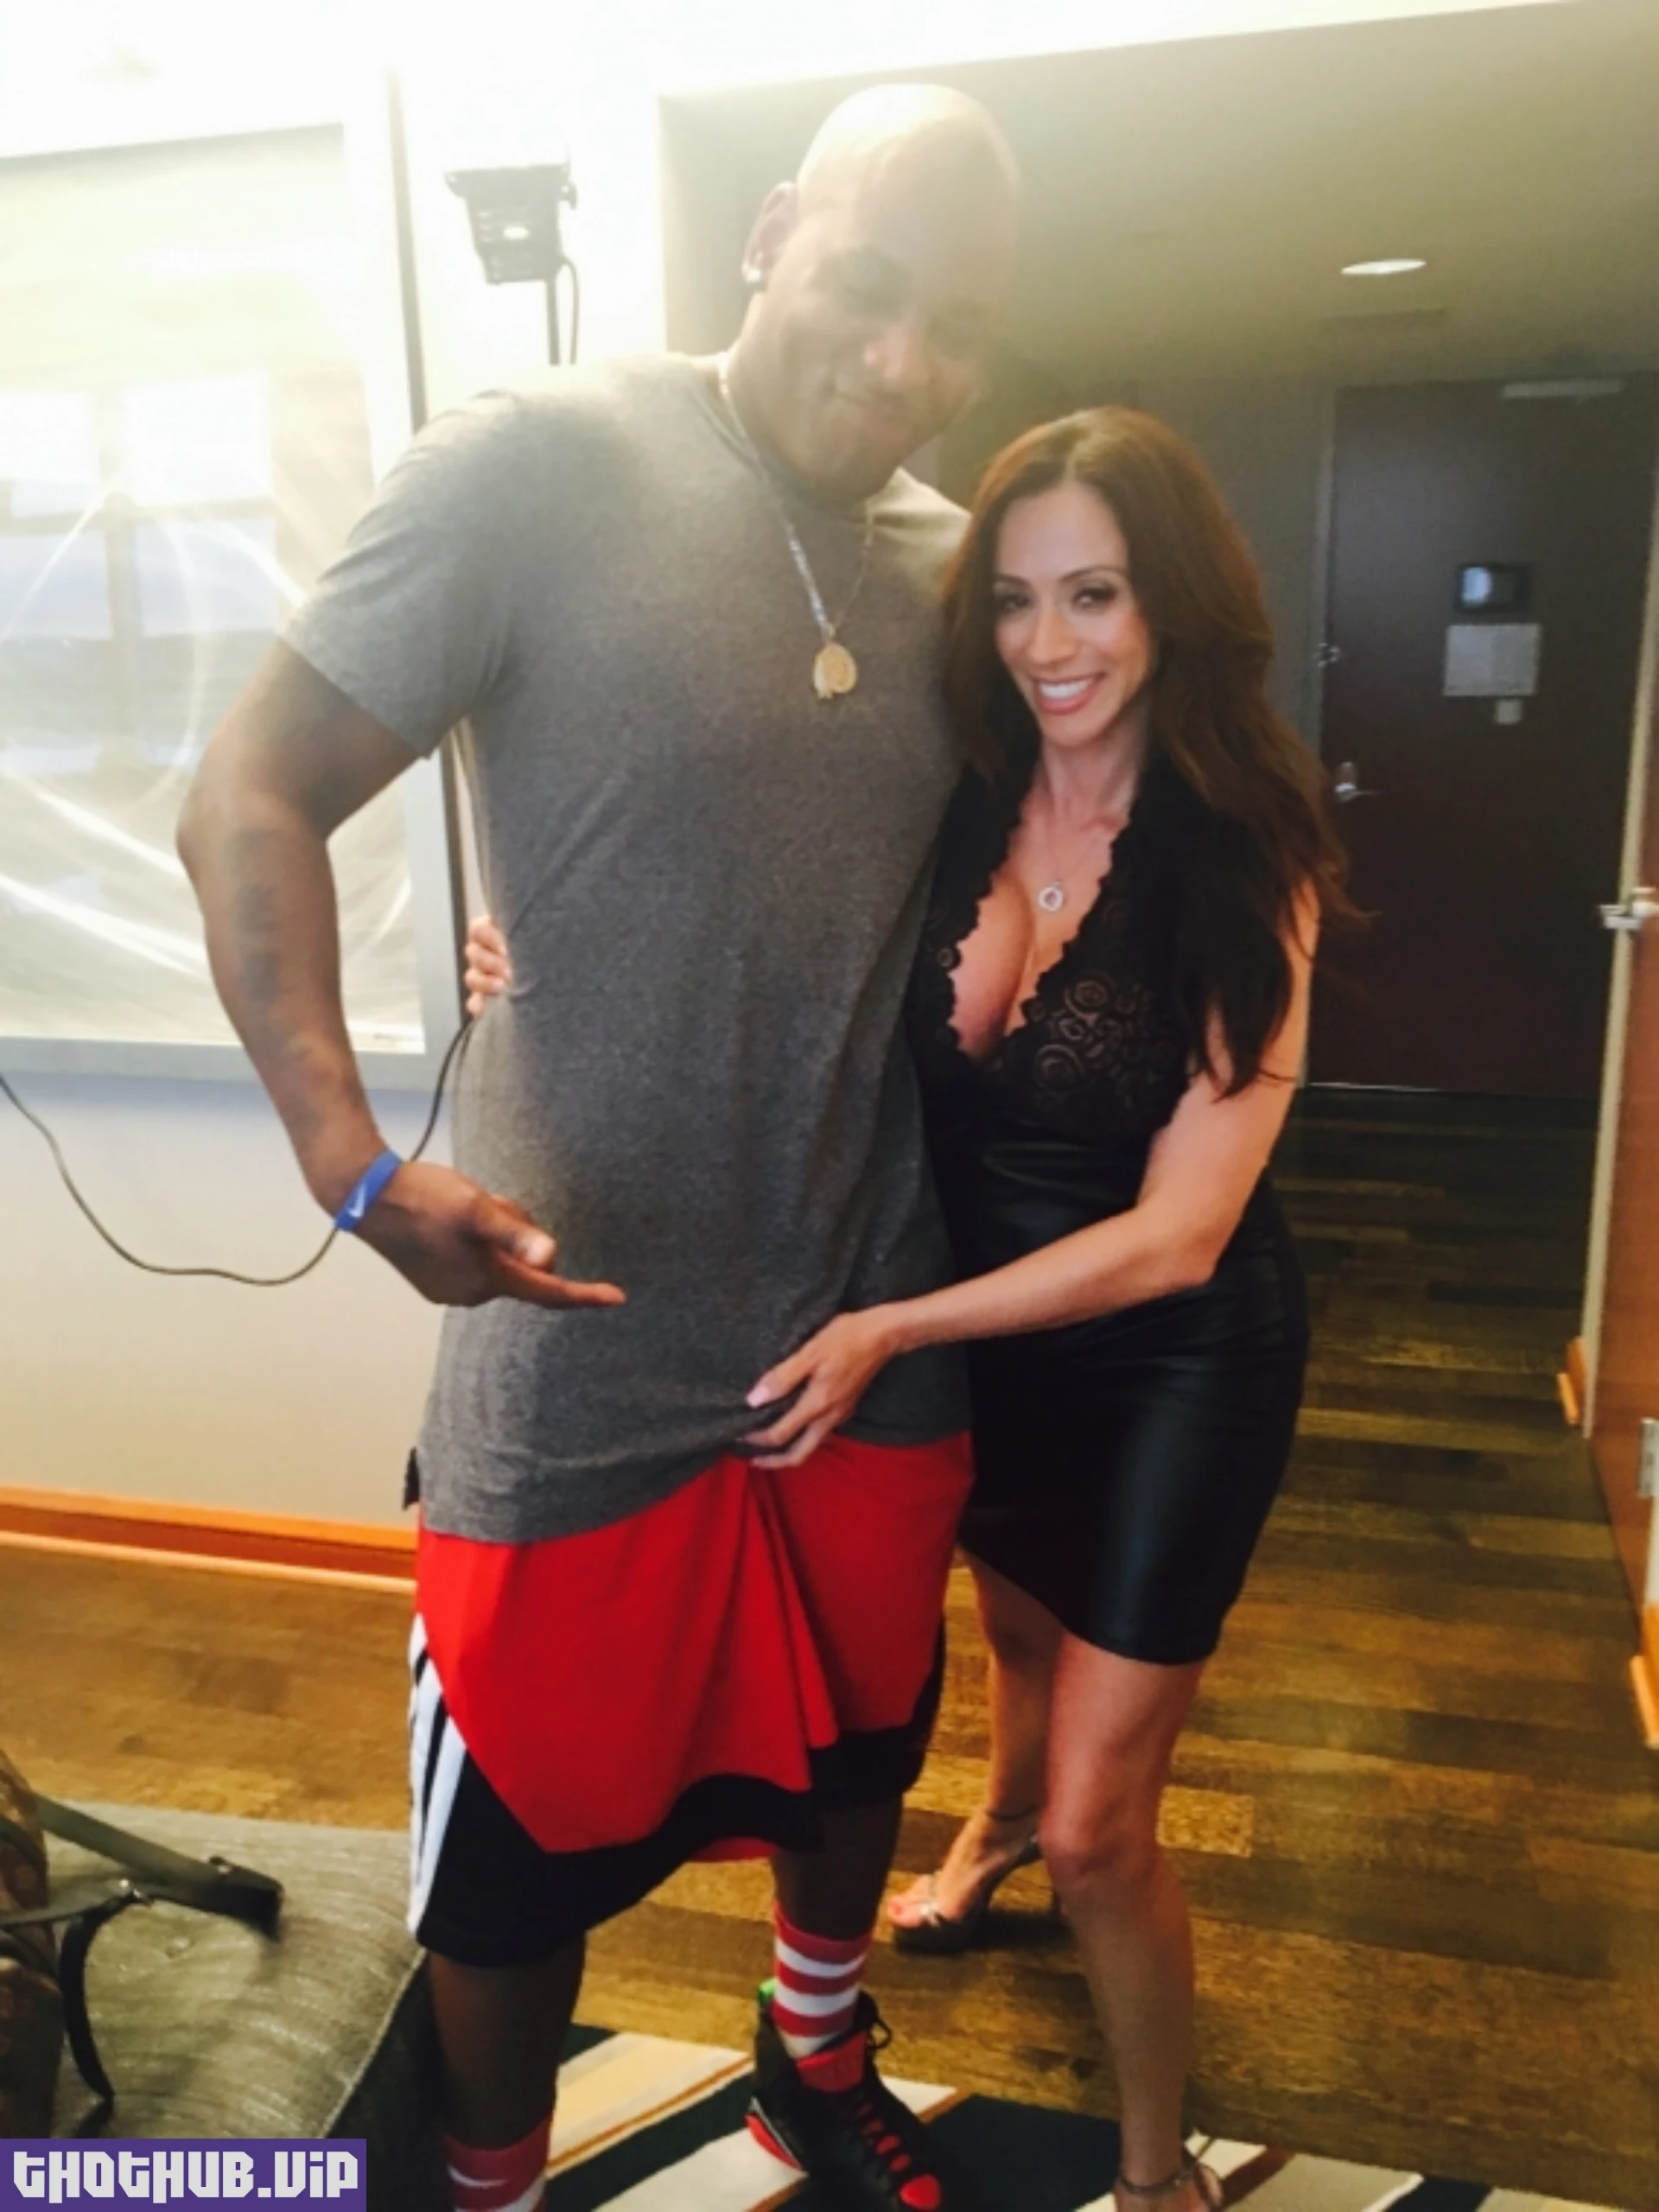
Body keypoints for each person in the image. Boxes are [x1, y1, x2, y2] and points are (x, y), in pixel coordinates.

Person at [178, 86, 1020, 2212]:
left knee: (861, 1745)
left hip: (869, 1315)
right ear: (771, 232)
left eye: (959, 326)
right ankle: (490, 2182)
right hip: (573, 1326)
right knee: (512, 1851)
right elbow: (247, 793)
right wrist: (353, 1164)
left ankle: (809, 2063)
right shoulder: (535, 463)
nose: (905, 361)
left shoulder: (962, 570)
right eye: (869, 285)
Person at [467, 404, 1345, 2212]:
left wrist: (898, 1329)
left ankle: (1154, 2166)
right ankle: (993, 1822)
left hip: (1169, 1358)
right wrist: (534, 942)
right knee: (1017, 1641)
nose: (1048, 643)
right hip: (982, 1346)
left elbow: (1181, 1236)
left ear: (1173, 603)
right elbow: (746, 896)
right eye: (1014, 599)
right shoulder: (958, 794)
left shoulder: (1246, 850)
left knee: (1109, 1827)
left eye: (1094, 593)